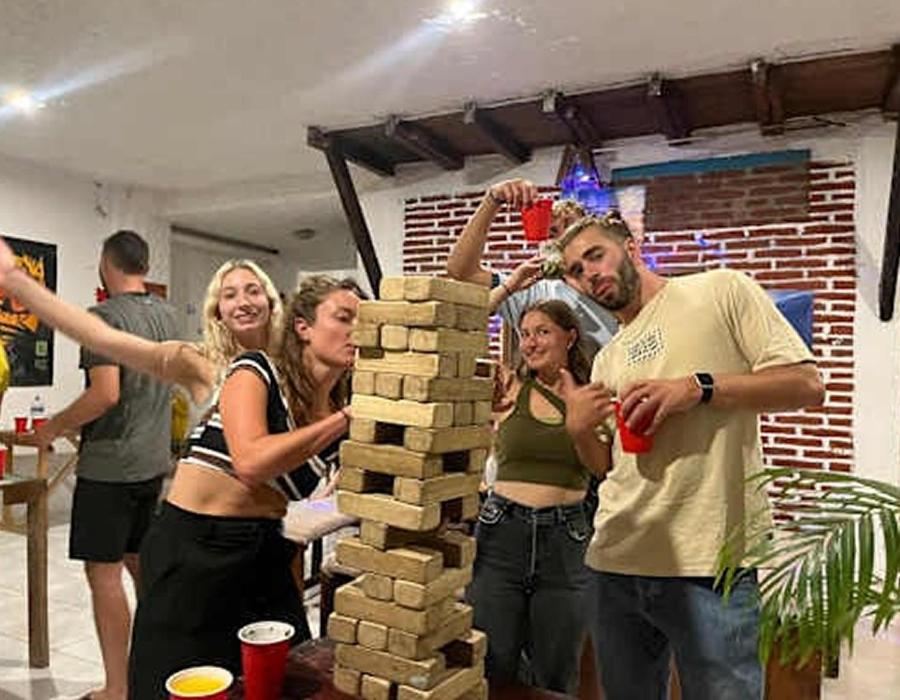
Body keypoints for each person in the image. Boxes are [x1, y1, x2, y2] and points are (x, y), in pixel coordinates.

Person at [556, 212, 825, 700]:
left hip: (709, 564)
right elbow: (608, 466)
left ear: (630, 246)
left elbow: (806, 384)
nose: (589, 274)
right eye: (575, 270)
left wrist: (697, 388)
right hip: (614, 560)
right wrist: (577, 429)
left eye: (595, 255)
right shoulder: (608, 357)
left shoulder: (720, 290)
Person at [128, 275, 363, 700]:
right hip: (195, 548)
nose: (356, 331)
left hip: (265, 551)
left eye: (364, 322)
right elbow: (251, 463)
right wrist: (347, 419)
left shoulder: (336, 411)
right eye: (344, 318)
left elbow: (310, 499)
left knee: (284, 679)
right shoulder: (256, 371)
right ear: (303, 327)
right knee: (179, 685)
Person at [30, 231, 177, 700]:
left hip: (111, 470)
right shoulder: (167, 316)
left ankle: (117, 688)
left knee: (104, 574)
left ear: (106, 263)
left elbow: (106, 394)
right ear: (145, 265)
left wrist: (53, 426)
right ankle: (158, 670)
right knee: (141, 566)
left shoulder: (103, 318)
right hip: (153, 463)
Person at [468, 300, 597, 694]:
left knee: (556, 670)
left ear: (569, 337)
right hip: (500, 533)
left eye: (542, 332)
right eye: (525, 334)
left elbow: (604, 467)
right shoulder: (508, 388)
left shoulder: (590, 397)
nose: (530, 343)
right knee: (493, 663)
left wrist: (579, 425)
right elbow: (464, 331)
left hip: (566, 539)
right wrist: (508, 288)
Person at [446, 178, 617, 357]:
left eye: (572, 229)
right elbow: (461, 271)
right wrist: (493, 200)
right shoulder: (530, 290)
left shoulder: (611, 287)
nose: (564, 240)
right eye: (553, 232)